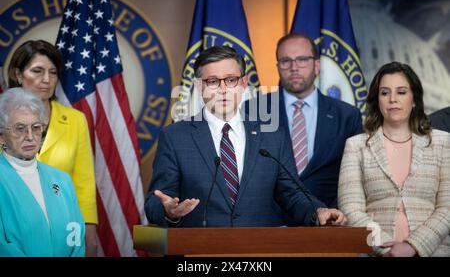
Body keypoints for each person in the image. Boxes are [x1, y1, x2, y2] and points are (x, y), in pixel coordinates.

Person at [145, 45, 346, 228]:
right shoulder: (175, 136)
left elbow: (292, 194)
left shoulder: (271, 135)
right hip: (197, 254)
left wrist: (318, 211)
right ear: (199, 87)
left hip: (259, 253)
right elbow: (155, 201)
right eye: (213, 81)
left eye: (231, 80)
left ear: (243, 83)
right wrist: (168, 211)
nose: (223, 90)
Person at [338, 62, 450, 257]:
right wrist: (387, 248)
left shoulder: (442, 142)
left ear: (414, 99)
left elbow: (447, 207)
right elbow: (351, 210)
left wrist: (413, 246)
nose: (392, 99)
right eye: (384, 93)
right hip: (375, 252)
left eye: (401, 92)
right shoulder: (355, 146)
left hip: (432, 252)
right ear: (377, 100)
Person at [246, 33, 362, 208]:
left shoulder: (347, 116)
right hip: (270, 221)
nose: (294, 67)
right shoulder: (254, 110)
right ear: (278, 67)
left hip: (328, 222)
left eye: (302, 59)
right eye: (285, 61)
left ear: (316, 65)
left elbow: (355, 178)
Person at [7, 40, 97, 256]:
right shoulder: (3, 117)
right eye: (37, 71)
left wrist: (89, 230)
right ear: (19, 75)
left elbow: (83, 181)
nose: (46, 80)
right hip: (12, 226)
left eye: (53, 72)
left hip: (63, 229)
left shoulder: (75, 120)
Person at [0, 88, 85, 256]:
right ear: (2, 136)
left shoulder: (61, 179)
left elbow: (77, 236)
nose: (30, 136)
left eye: (36, 127)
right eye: (20, 128)